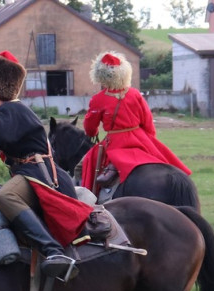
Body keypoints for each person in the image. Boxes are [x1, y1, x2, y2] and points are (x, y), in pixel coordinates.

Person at [0, 51, 89, 282]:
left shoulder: (10, 111)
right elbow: (3, 132)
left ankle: (53, 251)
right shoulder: (11, 112)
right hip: (33, 172)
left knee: (5, 197)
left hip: (39, 174)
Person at [81, 51, 190, 191]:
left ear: (101, 76)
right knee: (165, 161)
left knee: (88, 162)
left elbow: (90, 127)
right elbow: (148, 122)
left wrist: (93, 133)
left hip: (115, 141)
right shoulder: (135, 94)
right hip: (140, 138)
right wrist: (149, 140)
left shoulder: (98, 99)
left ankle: (92, 198)